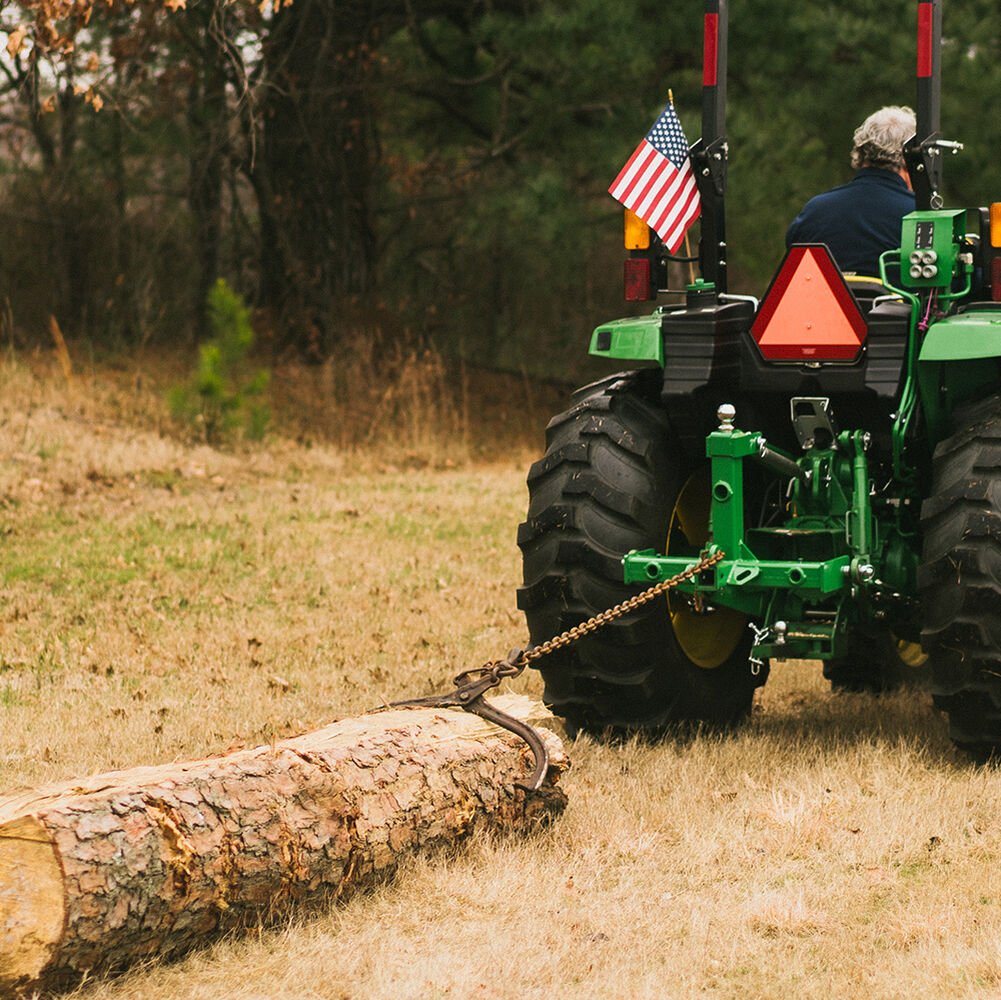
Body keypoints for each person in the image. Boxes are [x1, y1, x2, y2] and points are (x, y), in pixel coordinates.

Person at [785, 106, 917, 278]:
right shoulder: (918, 215)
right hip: (894, 305)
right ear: (912, 157)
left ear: (861, 151)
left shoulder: (813, 211)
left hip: (824, 305)